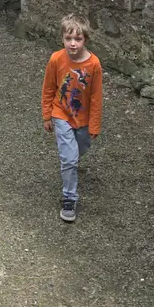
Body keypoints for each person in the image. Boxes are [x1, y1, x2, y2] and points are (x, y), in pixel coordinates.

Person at [41, 14, 102, 223]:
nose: (73, 44)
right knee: (68, 159)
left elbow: (95, 97)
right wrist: (47, 114)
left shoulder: (94, 65)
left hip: (83, 118)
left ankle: (73, 162)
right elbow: (49, 88)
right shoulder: (56, 59)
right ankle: (69, 198)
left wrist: (94, 124)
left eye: (77, 39)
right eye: (68, 39)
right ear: (62, 39)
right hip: (61, 114)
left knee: (80, 149)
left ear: (85, 39)